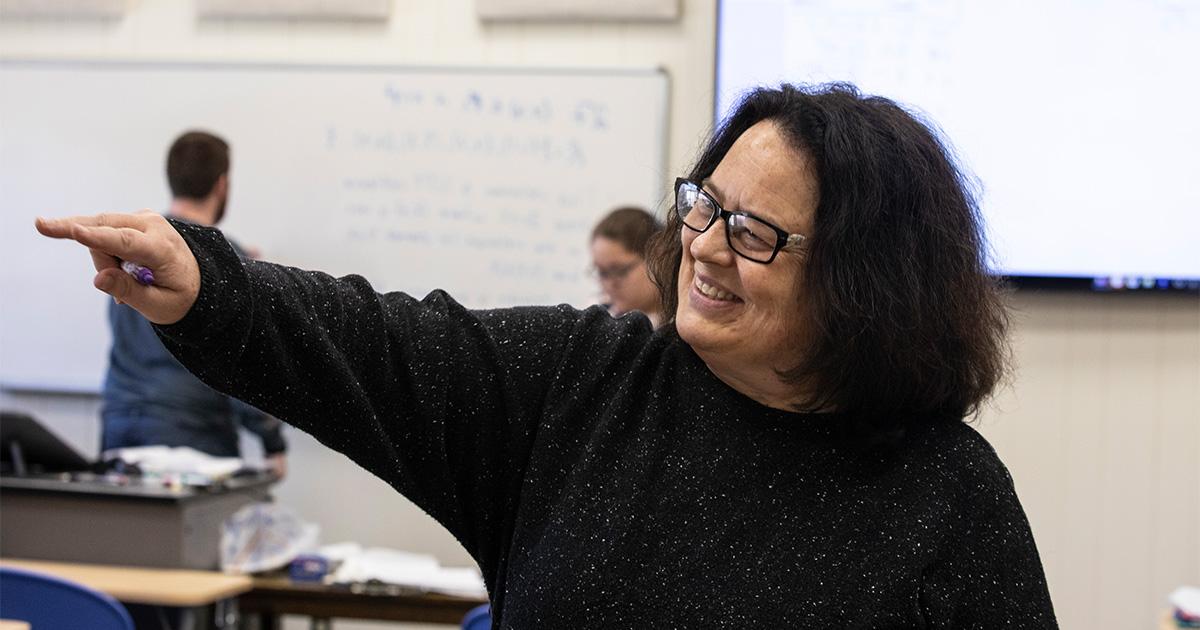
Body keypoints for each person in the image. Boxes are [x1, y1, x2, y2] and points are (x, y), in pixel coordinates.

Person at [38, 83, 1057, 627]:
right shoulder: (583, 386)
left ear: (865, 283)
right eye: (704, 204)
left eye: (754, 233)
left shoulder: (946, 500)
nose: (700, 247)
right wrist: (212, 283)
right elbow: (381, 341)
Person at [99, 130, 287, 477]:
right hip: (191, 434)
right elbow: (243, 363)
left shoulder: (133, 246)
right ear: (222, 185)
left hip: (120, 425)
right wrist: (272, 443)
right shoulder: (223, 259)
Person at [590, 206, 665, 327]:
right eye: (602, 273)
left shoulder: (679, 327)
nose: (609, 284)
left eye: (619, 271)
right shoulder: (601, 319)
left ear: (656, 257)